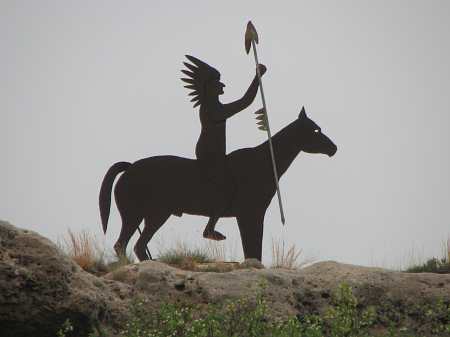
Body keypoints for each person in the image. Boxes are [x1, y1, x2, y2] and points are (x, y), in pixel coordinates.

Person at [182, 55, 266, 240]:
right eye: (218, 83)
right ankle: (209, 228)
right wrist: (257, 78)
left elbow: (245, 102)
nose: (223, 86)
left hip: (217, 152)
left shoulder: (214, 106)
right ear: (210, 87)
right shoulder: (212, 109)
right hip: (210, 153)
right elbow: (245, 101)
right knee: (226, 184)